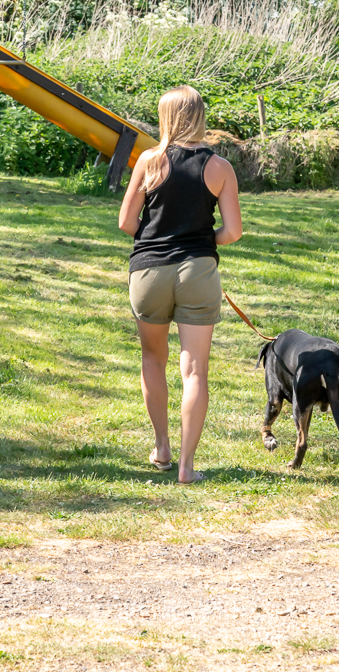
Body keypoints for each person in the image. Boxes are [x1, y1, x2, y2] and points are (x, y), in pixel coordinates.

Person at [117, 85, 243, 484]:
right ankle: (187, 468)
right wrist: (203, 240)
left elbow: (125, 223)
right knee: (195, 372)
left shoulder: (149, 160)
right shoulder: (219, 167)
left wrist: (156, 237)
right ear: (201, 116)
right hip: (198, 272)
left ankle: (162, 448)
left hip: (149, 271)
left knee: (153, 360)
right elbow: (233, 231)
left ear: (165, 116)